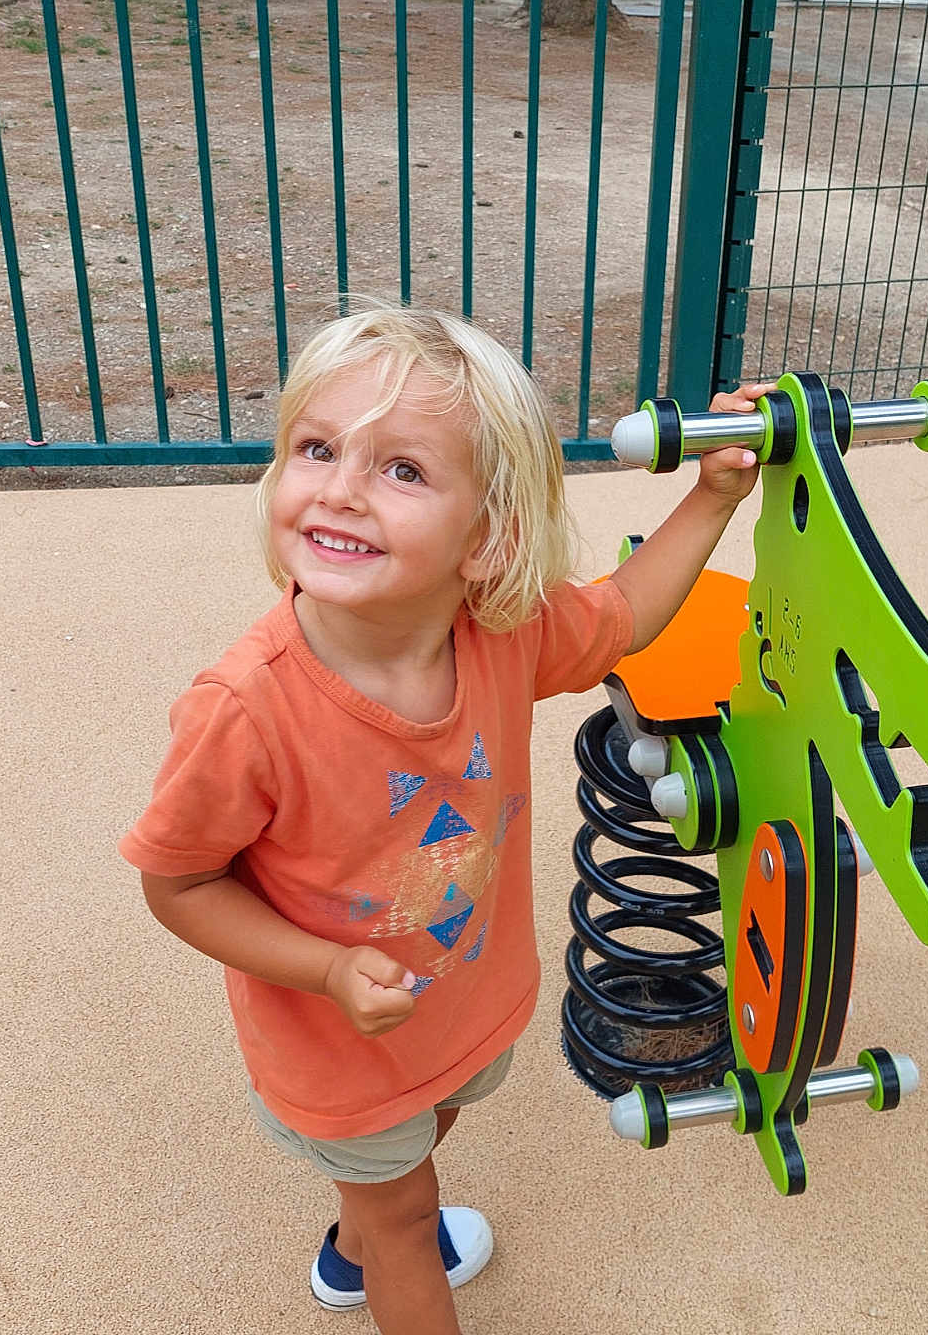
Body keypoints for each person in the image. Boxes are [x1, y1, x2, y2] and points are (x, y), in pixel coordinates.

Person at [120, 300, 771, 1334]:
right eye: (318, 447)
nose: (340, 489)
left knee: (442, 1118)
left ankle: (354, 1243)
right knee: (408, 1218)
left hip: (460, 996)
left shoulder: (500, 634)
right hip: (339, 1035)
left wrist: (712, 495)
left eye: (403, 470)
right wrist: (328, 969)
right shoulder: (245, 709)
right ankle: (376, 1243)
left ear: (485, 541)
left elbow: (622, 616)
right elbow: (180, 881)